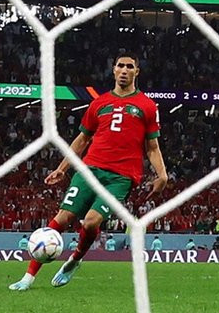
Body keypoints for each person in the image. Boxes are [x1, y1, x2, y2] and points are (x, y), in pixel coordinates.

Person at [9, 53, 166, 291]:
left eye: (129, 66)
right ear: (113, 70)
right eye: (120, 66)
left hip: (121, 177)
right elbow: (82, 139)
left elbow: (152, 147)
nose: (124, 70)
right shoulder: (98, 103)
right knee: (62, 218)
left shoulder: (146, 106)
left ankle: (75, 258)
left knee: (92, 222)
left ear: (137, 72)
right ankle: (27, 278)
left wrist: (161, 174)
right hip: (89, 169)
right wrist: (62, 168)